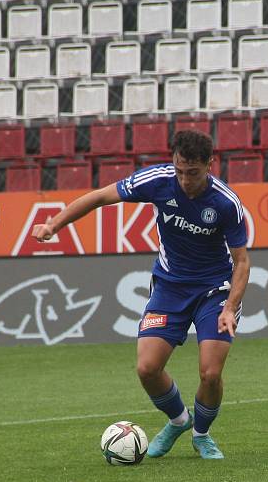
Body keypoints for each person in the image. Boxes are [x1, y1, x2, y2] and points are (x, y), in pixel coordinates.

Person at [31, 130, 250, 460]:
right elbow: (100, 197)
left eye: (193, 172)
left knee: (210, 372)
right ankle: (178, 421)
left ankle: (201, 435)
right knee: (147, 368)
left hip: (214, 289)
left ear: (209, 164)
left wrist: (230, 306)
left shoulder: (225, 202)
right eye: (179, 170)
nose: (185, 180)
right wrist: (53, 226)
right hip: (170, 286)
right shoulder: (158, 180)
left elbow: (242, 261)